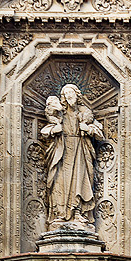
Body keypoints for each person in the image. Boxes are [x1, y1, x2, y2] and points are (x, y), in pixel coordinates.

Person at [42, 84, 104, 229]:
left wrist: (87, 128)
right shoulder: (59, 114)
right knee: (60, 182)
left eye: (71, 93)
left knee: (80, 181)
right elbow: (45, 132)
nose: (69, 96)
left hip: (80, 151)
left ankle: (78, 213)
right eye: (66, 93)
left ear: (77, 95)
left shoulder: (85, 113)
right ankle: (61, 214)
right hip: (62, 152)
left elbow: (99, 134)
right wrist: (54, 130)